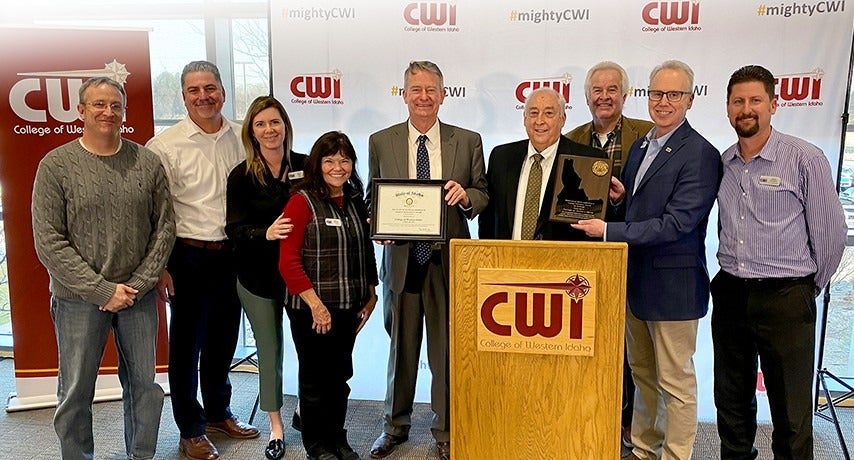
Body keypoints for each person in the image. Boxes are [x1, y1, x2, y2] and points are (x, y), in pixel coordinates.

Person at [572, 60, 723, 460]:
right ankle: (643, 449)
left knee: (675, 383)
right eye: (657, 93)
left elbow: (675, 224)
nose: (663, 102)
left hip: (674, 287)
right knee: (642, 376)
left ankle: (675, 455)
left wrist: (607, 230)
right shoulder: (641, 146)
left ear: (690, 100)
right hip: (635, 282)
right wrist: (622, 202)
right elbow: (642, 211)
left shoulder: (701, 154)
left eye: (674, 94)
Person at [31, 77, 176, 460]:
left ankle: (141, 455)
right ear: (81, 111)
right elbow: (49, 241)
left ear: (124, 111)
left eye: (115, 105)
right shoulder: (56, 166)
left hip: (138, 298)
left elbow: (164, 227)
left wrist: (140, 283)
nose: (107, 112)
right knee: (76, 391)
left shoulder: (147, 162)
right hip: (78, 300)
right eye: (98, 104)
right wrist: (102, 290)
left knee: (145, 388)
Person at [712, 65, 846, 460]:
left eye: (755, 100)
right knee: (731, 405)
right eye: (738, 101)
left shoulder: (804, 158)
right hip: (732, 292)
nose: (746, 109)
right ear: (728, 108)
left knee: (790, 414)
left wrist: (806, 287)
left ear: (773, 104)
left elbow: (831, 236)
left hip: (786, 296)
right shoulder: (725, 162)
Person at [367, 60, 488, 460]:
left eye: (430, 89)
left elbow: (483, 194)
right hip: (401, 260)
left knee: (445, 352)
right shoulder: (380, 141)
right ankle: (393, 427)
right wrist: (376, 226)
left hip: (447, 260)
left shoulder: (467, 140)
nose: (423, 97)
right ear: (404, 95)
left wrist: (466, 196)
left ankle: (446, 430)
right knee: (401, 351)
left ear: (442, 94)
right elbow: (373, 197)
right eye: (415, 89)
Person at [146, 60, 258, 460]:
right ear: (183, 96)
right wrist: (158, 267)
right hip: (187, 256)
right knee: (186, 347)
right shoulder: (164, 146)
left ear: (223, 92)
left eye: (210, 88)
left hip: (233, 254)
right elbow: (153, 213)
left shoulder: (244, 138)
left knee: (224, 339)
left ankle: (217, 412)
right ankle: (190, 429)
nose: (203, 96)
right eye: (194, 90)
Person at [566, 60, 655, 457]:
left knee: (631, 349)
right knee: (586, 343)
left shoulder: (647, 135)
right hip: (584, 260)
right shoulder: (570, 137)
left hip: (631, 255)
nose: (604, 97)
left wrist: (624, 200)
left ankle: (628, 426)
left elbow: (654, 199)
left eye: (612, 89)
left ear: (625, 94)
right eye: (596, 91)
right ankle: (589, 416)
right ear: (587, 98)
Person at [278, 131, 378, 460]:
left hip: (348, 304)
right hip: (311, 308)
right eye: (330, 160)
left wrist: (371, 291)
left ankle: (337, 438)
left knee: (340, 378)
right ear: (317, 164)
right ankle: (316, 444)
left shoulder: (352, 199)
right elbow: (288, 261)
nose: (338, 166)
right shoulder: (300, 201)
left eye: (344, 159)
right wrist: (316, 306)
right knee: (315, 379)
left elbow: (364, 249)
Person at [225, 96, 306, 460]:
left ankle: (308, 409)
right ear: (251, 132)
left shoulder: (308, 166)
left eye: (275, 122)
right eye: (260, 124)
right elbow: (235, 229)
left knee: (311, 349)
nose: (269, 130)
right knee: (270, 352)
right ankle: (275, 427)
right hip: (257, 279)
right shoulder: (241, 176)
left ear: (285, 125)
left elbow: (342, 196)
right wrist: (266, 233)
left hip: (303, 277)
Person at [478, 87, 605, 241]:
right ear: (524, 119)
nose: (539, 121)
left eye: (549, 113)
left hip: (564, 261)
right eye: (533, 113)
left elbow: (596, 225)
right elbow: (488, 219)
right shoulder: (501, 157)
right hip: (507, 261)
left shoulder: (586, 160)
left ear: (562, 119)